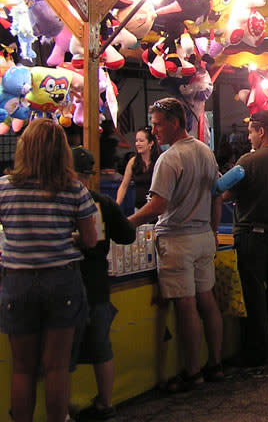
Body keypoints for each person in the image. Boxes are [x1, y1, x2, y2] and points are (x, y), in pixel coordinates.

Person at [0, 118, 98, 422]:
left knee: (23, 368)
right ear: (62, 152)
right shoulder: (74, 189)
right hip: (61, 280)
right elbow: (91, 240)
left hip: (17, 282)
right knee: (56, 367)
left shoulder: (3, 188)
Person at [128, 98, 223, 391]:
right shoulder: (205, 152)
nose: (154, 130)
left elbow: (157, 206)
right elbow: (217, 194)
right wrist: (213, 231)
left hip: (178, 238)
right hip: (203, 236)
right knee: (207, 300)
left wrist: (127, 223)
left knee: (186, 305)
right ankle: (215, 364)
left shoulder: (169, 159)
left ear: (175, 122)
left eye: (157, 124)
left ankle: (192, 372)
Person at [223, 110, 268, 365]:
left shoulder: (249, 161)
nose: (250, 137)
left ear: (262, 131)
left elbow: (224, 193)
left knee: (254, 293)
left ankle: (256, 351)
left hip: (253, 235)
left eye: (251, 132)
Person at [71, 147, 136, 421]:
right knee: (100, 346)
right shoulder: (102, 203)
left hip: (70, 285)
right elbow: (128, 236)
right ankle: (105, 403)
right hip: (97, 285)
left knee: (63, 353)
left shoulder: (60, 204)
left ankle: (61, 410)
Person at [116, 126, 160, 211]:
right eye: (136, 141)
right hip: (139, 208)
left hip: (156, 208)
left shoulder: (159, 161)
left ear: (151, 143)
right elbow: (124, 185)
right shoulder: (133, 162)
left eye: (141, 141)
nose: (138, 144)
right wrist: (116, 205)